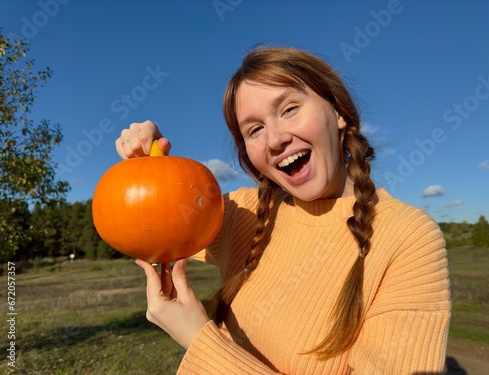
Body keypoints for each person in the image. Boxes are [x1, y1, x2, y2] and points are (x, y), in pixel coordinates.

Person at [116, 46, 451, 374]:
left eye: (289, 109)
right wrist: (153, 161)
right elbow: (155, 217)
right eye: (254, 130)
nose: (274, 139)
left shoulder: (407, 237)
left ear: (338, 113)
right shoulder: (243, 213)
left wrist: (197, 339)